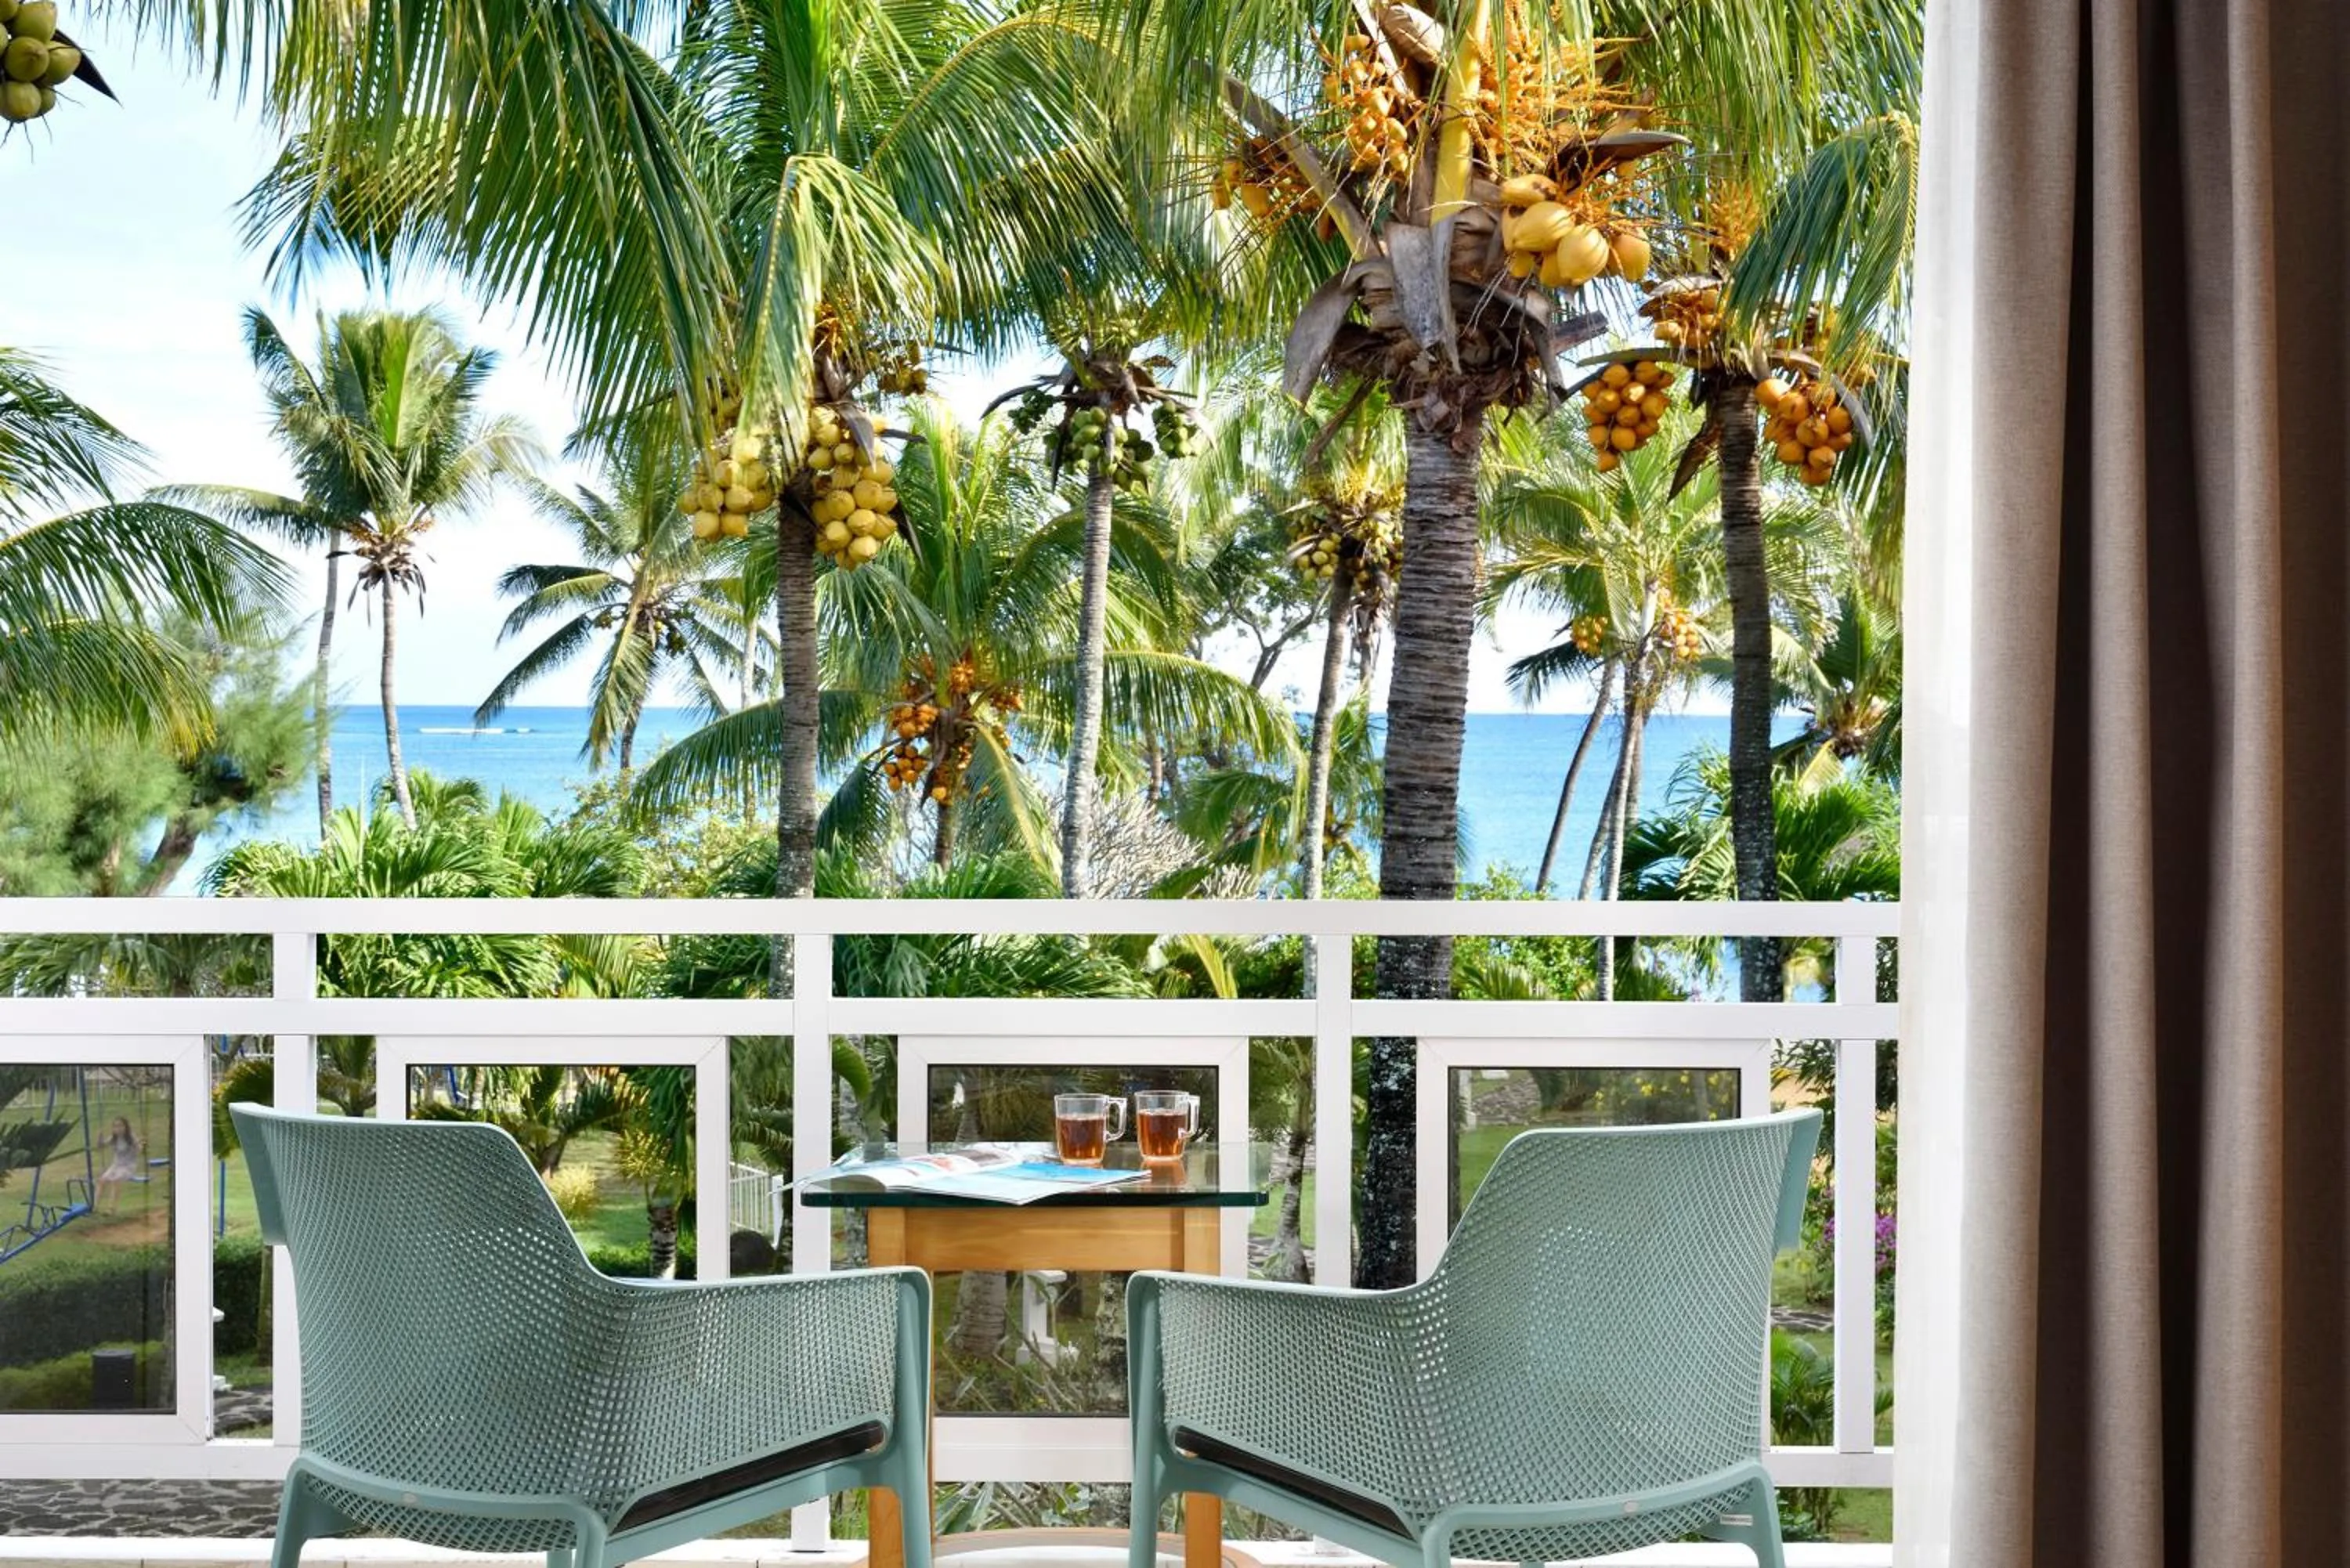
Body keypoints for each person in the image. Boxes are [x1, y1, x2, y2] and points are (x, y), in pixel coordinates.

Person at [94, 1116, 144, 1215]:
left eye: (121, 1126)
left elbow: (139, 1150)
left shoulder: (131, 1137)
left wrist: (141, 1144)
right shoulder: (114, 1138)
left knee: (116, 1181)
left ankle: (111, 1209)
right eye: (116, 1126)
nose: (118, 1129)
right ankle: (94, 1206)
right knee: (101, 1181)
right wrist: (99, 1139)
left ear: (126, 1127)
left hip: (128, 1166)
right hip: (116, 1165)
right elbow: (101, 1147)